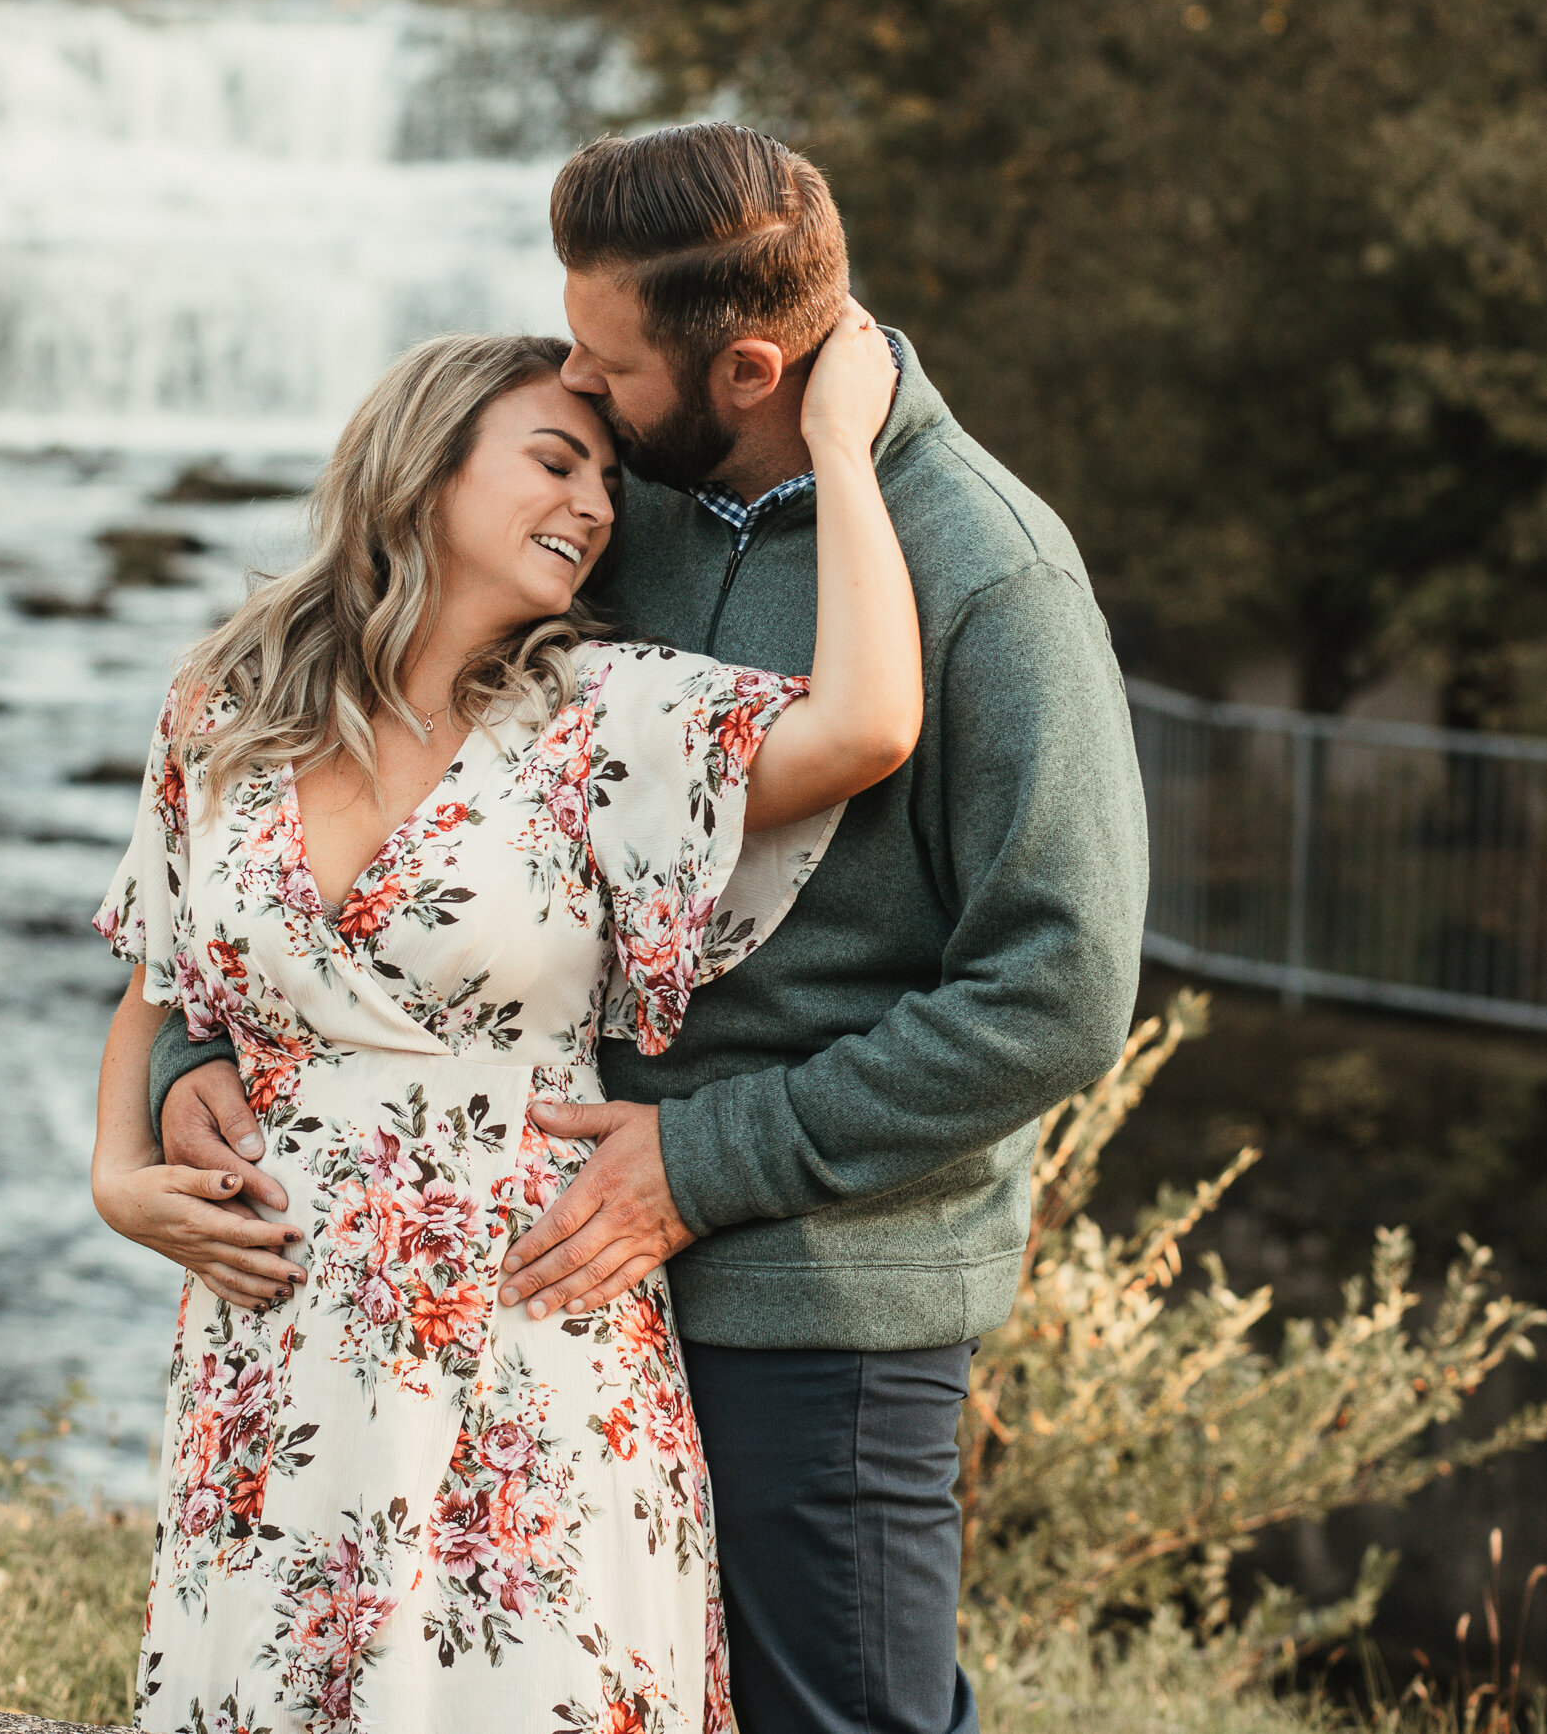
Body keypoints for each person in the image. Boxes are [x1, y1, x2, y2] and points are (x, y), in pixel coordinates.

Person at [151, 123, 1152, 1734]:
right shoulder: (632, 507)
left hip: (807, 1293)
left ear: (746, 366)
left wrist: (702, 1162)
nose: (574, 384)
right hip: (525, 1282)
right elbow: (416, 775)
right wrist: (205, 1047)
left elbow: (1056, 990)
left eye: (608, 365)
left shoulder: (987, 574)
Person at [91, 307, 919, 1734]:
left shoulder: (601, 718)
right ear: (423, 471)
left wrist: (841, 443)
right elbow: (158, 975)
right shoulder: (221, 702)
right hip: (269, 1350)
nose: (594, 505)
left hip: (524, 1330)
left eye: (606, 479)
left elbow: (862, 724)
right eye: (553, 461)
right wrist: (117, 1178)